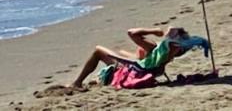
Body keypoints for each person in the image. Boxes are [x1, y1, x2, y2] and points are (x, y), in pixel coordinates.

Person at [68, 26, 204, 89]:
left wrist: (154, 31)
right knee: (121, 52)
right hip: (145, 70)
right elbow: (139, 59)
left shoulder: (156, 48)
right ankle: (99, 79)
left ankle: (77, 82)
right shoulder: (170, 53)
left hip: (135, 71)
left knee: (98, 50)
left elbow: (131, 32)